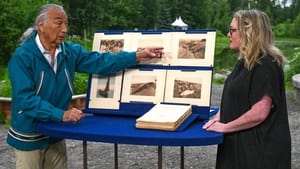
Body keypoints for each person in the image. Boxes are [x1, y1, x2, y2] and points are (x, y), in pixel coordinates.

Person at [7, 3, 163, 169]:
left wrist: (137, 56)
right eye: (59, 23)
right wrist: (62, 114)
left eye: (66, 24)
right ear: (41, 25)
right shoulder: (22, 57)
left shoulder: (68, 52)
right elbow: (25, 100)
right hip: (30, 134)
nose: (64, 29)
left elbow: (100, 62)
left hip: (55, 132)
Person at [203, 9, 291, 169]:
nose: (228, 34)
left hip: (259, 150)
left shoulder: (266, 64)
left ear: (249, 32)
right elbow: (237, 97)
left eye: (233, 30)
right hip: (241, 142)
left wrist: (225, 127)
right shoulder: (246, 61)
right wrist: (219, 116)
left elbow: (259, 112)